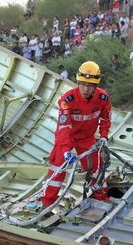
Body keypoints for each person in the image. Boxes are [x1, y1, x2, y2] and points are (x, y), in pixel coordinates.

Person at [41, 61, 112, 207]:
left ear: (96, 86)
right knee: (58, 170)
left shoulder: (103, 98)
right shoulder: (67, 100)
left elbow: (106, 119)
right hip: (67, 138)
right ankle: (47, 205)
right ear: (78, 82)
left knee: (96, 171)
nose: (86, 89)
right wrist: (66, 150)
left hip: (87, 139)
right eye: (83, 84)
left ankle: (103, 199)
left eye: (90, 85)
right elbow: (64, 127)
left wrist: (104, 136)